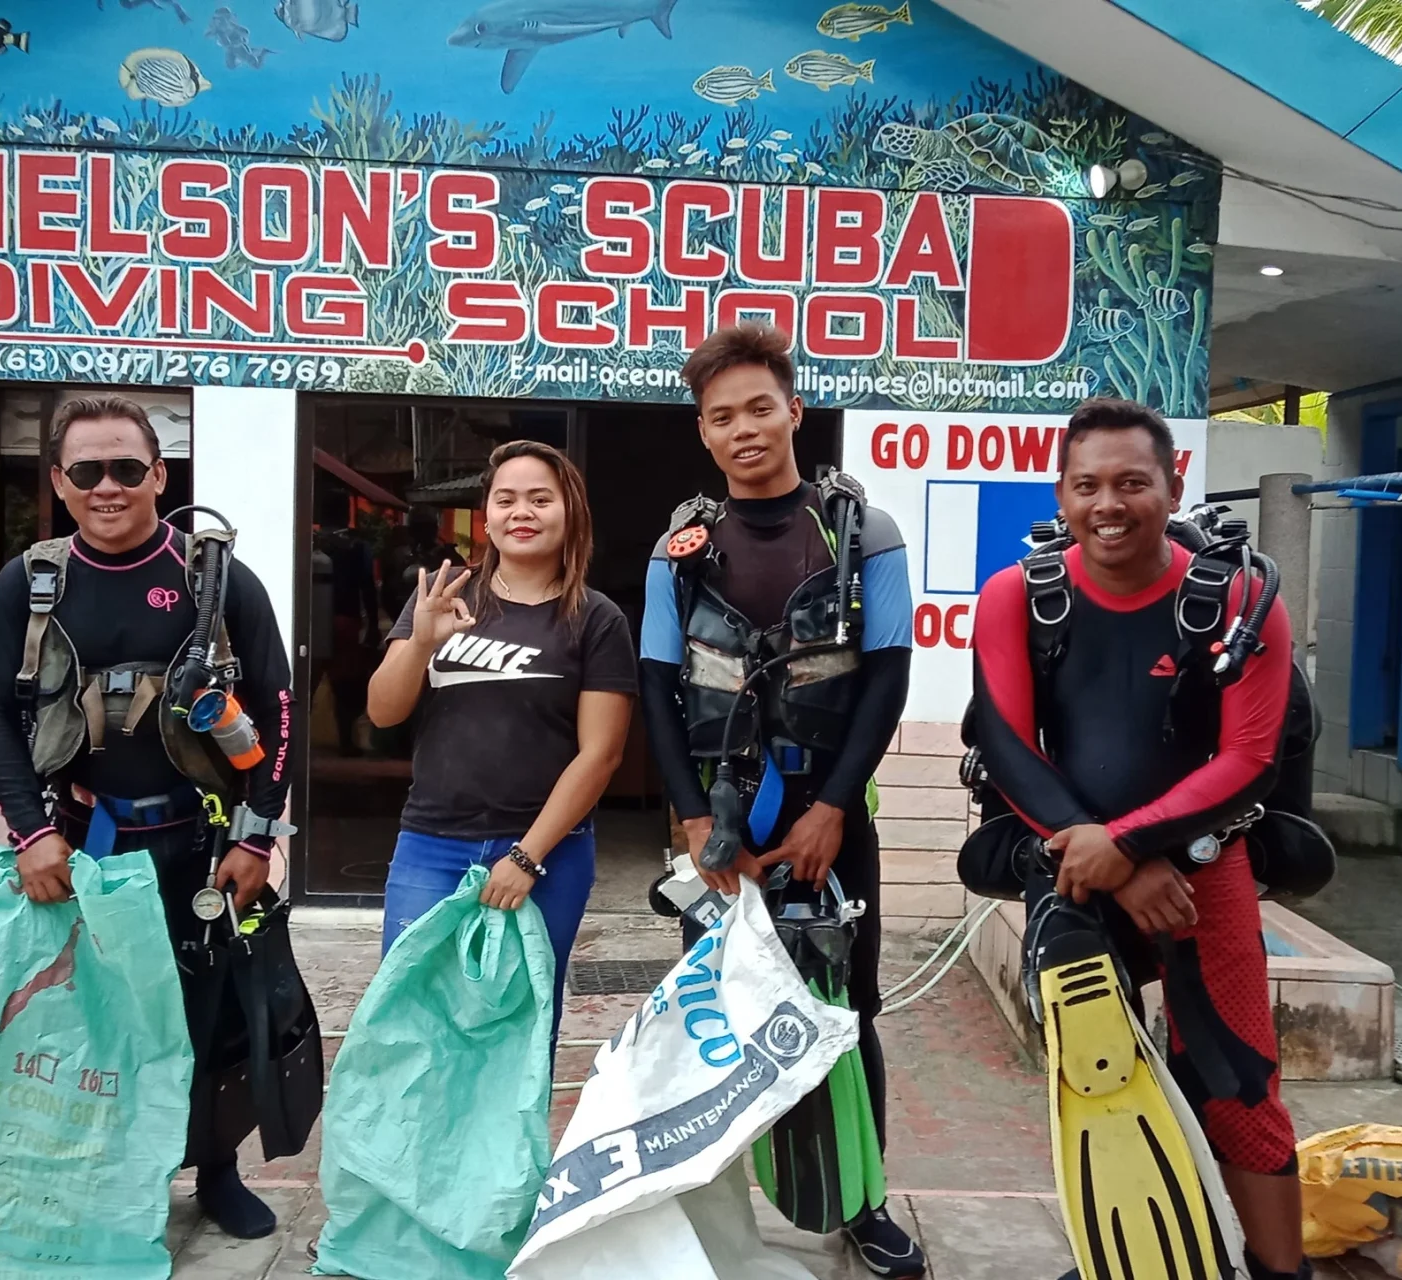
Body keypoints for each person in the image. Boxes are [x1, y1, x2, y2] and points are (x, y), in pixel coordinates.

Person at [966, 398, 1310, 1280]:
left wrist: (1128, 846)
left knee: (1234, 1082)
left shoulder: (1238, 602)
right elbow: (1005, 744)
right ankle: (1125, 1254)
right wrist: (1111, 861)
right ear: (1062, 492)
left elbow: (1250, 758)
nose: (1108, 504)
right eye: (1087, 486)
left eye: (1131, 482)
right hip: (1073, 866)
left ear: (1173, 483)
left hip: (1200, 868)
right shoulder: (1017, 597)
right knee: (1096, 1077)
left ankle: (1279, 1268)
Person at [0, 394, 298, 1240]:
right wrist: (31, 833)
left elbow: (280, 704)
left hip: (200, 843)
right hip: (82, 848)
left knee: (212, 1017)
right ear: (60, 483)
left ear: (160, 475)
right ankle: (116, 1179)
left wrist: (259, 832)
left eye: (127, 469)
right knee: (95, 1024)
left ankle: (215, 1172)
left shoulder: (212, 579)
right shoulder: (31, 583)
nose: (108, 487)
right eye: (87, 472)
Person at [637, 324, 926, 1279]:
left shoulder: (862, 534)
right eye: (723, 416)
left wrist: (835, 807)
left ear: (795, 411)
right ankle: (718, 1219)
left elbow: (886, 679)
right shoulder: (680, 550)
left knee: (849, 1012)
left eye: (761, 407)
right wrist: (688, 818)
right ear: (704, 432)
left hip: (828, 823)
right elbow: (655, 684)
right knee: (716, 1019)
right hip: (718, 830)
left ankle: (865, 1205)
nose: (744, 428)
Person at [365, 440, 635, 1001]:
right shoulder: (444, 598)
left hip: (547, 854)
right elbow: (383, 711)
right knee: (409, 1013)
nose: (522, 513)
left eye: (540, 499)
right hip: (431, 842)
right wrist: (420, 644)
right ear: (486, 516)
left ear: (570, 512)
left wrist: (525, 857)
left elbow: (600, 753)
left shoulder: (597, 619)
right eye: (506, 499)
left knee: (521, 1024)